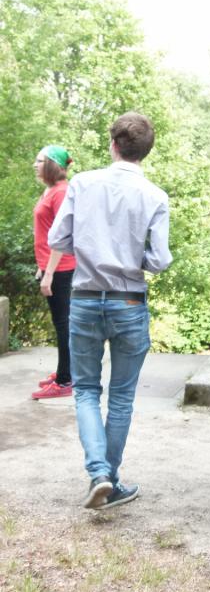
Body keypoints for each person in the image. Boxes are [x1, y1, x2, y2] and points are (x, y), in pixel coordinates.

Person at [48, 112, 172, 510]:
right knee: (121, 398)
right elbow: (159, 260)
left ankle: (99, 473)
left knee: (85, 390)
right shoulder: (155, 196)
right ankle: (110, 479)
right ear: (145, 151)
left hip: (85, 298)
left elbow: (58, 238)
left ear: (113, 144)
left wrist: (91, 247)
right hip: (129, 301)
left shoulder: (82, 183)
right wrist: (132, 257)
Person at [31, 145, 77, 400]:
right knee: (61, 322)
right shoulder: (50, 190)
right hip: (50, 265)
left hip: (60, 267)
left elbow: (63, 234)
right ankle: (65, 371)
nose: (35, 165)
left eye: (39, 161)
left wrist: (49, 273)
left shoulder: (61, 192)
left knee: (63, 323)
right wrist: (42, 266)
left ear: (51, 165)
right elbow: (46, 230)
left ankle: (65, 380)